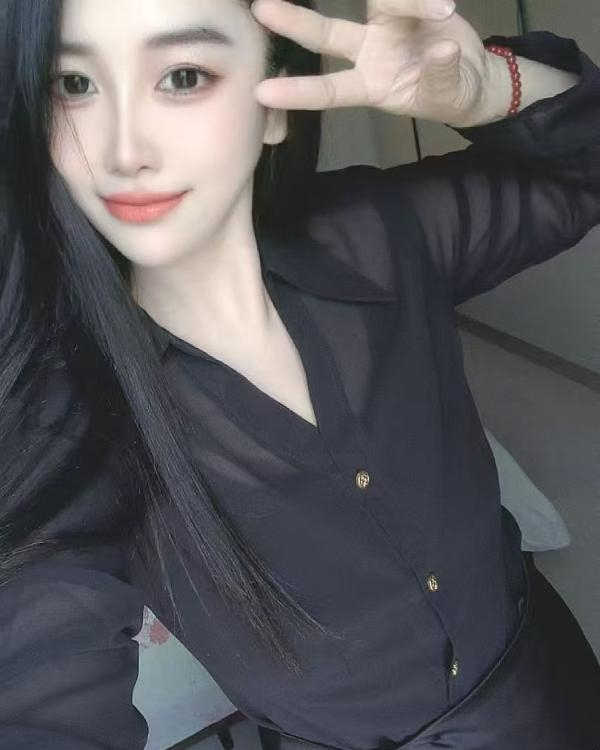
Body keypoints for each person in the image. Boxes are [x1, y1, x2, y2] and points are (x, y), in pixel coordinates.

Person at [0, 0, 599, 748]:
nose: (123, 152)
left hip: (553, 682)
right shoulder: (64, 413)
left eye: (183, 76)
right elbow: (40, 657)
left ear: (277, 106)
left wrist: (489, 90)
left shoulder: (378, 232)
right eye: (74, 85)